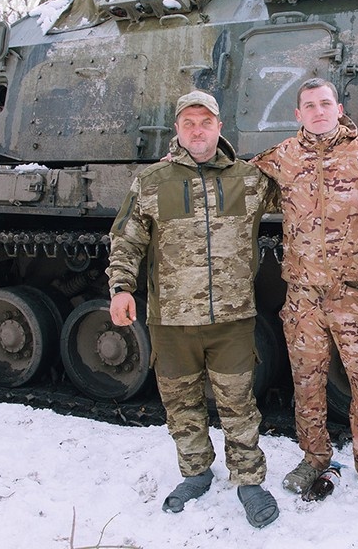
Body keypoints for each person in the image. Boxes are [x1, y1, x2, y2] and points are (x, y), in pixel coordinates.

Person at [106, 90, 280, 529]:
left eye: (206, 121)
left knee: (239, 403)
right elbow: (127, 240)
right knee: (181, 404)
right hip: (171, 321)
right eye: (188, 123)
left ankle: (248, 480)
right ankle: (196, 472)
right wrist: (121, 288)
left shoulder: (251, 179)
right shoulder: (152, 181)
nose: (197, 130)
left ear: (219, 127)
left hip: (232, 318)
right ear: (178, 131)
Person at [251, 78, 358, 506]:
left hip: (353, 295)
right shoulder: (283, 156)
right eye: (309, 105)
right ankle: (314, 456)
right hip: (303, 297)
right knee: (307, 383)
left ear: (339, 107)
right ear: (298, 114)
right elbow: (235, 175)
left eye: (325, 103)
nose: (317, 111)